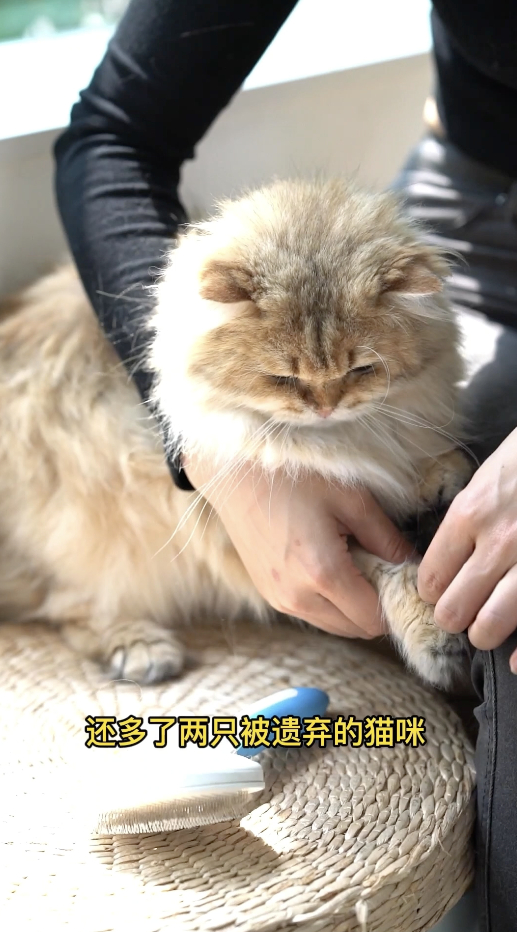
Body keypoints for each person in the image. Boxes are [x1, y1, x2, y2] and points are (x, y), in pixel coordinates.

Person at [54, 2, 517, 927]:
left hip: (403, 285)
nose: (322, 404)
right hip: (477, 204)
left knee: (495, 626)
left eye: (347, 380)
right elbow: (113, 132)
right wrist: (217, 461)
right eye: (294, 383)